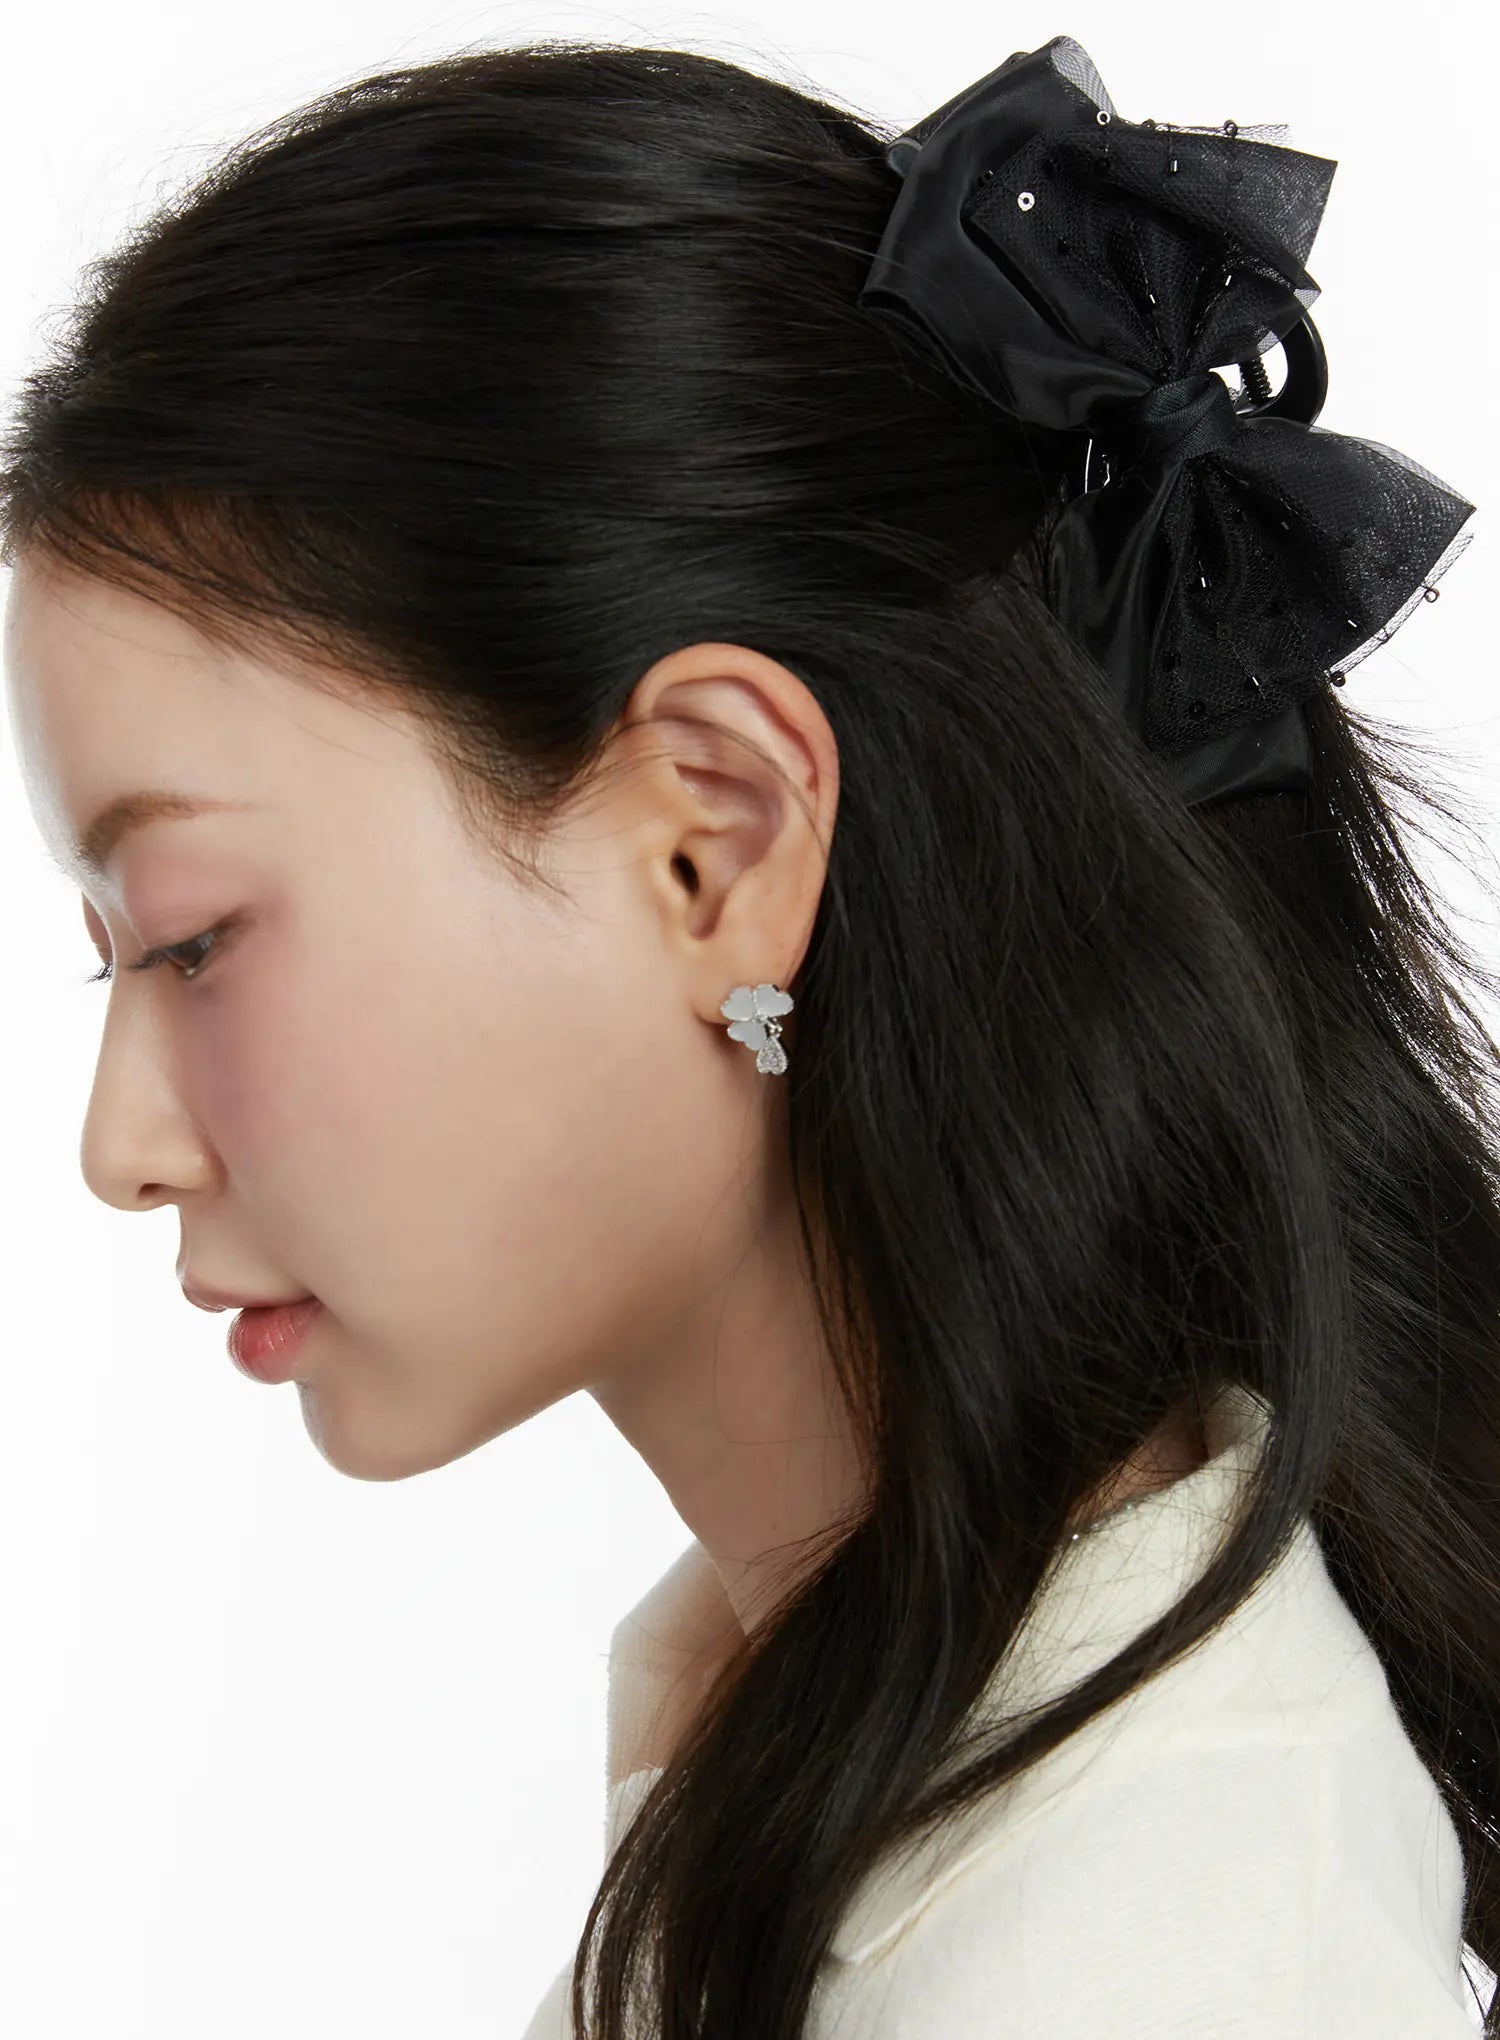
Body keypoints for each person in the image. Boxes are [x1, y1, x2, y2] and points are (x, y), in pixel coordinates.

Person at [2, 32, 1495, 2039]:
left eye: (194, 939)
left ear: (716, 841)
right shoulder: (839, 1743)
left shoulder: (1141, 1961)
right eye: (114, 960)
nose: (122, 1148)